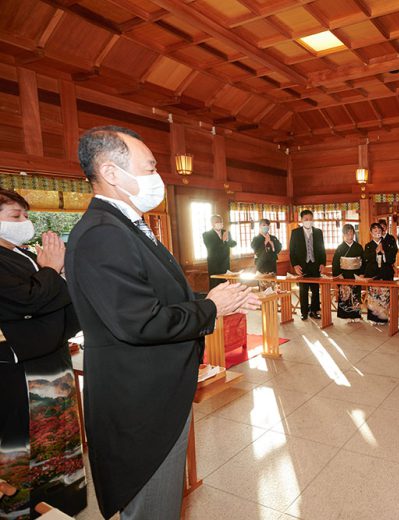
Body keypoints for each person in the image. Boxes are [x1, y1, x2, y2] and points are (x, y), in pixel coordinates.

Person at [64, 126, 259, 520]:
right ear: (112, 173)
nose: (158, 178)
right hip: (140, 404)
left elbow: (159, 297)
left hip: (159, 390)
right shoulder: (103, 234)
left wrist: (210, 300)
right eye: (150, 167)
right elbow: (139, 322)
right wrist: (210, 310)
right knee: (152, 508)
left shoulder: (129, 227)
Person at [0, 189, 86, 519]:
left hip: (54, 362)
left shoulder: (24, 256)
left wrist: (58, 274)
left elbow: (51, 300)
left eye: (25, 215)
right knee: (26, 443)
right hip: (20, 373)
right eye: (15, 216)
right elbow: (28, 301)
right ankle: (20, 510)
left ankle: (62, 504)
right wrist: (50, 270)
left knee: (60, 438)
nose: (25, 222)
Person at [289, 209, 326, 320]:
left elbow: (322, 249)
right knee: (303, 290)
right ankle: (304, 312)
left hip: (315, 265)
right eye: (306, 219)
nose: (308, 221)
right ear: (301, 220)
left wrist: (323, 263)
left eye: (310, 219)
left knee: (315, 290)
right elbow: (292, 251)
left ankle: (315, 311)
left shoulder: (318, 232)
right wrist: (295, 265)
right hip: (302, 266)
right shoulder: (295, 233)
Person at [363, 222, 396, 325]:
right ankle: (373, 319)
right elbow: (366, 258)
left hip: (385, 273)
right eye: (375, 231)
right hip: (373, 274)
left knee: (384, 296)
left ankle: (383, 319)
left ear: (382, 232)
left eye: (379, 231)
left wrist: (384, 252)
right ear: (371, 233)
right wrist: (375, 252)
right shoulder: (368, 245)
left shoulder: (387, 243)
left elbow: (392, 259)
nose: (377, 233)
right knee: (373, 297)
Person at [331, 224, 364, 322]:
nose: (350, 235)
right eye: (347, 233)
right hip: (344, 275)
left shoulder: (358, 247)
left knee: (355, 294)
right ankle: (346, 316)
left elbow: (363, 261)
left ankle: (356, 315)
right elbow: (335, 263)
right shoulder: (340, 247)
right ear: (344, 234)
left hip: (356, 274)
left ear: (354, 233)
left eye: (351, 232)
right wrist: (338, 275)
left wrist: (362, 273)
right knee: (345, 295)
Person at [203, 215, 236, 289]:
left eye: (221, 222)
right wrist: (223, 240)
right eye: (217, 222)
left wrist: (227, 240)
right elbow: (212, 248)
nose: (219, 223)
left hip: (225, 264)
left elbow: (233, 244)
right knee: (215, 286)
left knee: (226, 285)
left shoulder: (226, 232)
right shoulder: (206, 235)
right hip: (214, 265)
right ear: (212, 223)